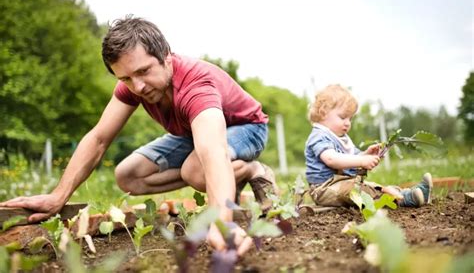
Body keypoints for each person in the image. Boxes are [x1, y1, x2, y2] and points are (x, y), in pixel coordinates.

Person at [0, 16, 278, 255]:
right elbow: (98, 139)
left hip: (247, 128)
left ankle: (253, 170)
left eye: (144, 71)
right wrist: (58, 196)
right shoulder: (133, 86)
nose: (139, 86)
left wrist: (221, 221)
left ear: (166, 57)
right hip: (192, 134)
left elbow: (212, 150)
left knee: (196, 171)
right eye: (126, 78)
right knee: (127, 176)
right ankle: (228, 178)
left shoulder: (196, 86)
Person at [305, 84, 432, 208]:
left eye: (350, 118)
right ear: (323, 113)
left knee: (373, 186)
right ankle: (403, 200)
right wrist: (362, 160)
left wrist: (365, 155)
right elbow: (331, 159)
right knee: (360, 191)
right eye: (343, 117)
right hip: (323, 190)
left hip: (340, 185)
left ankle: (408, 194)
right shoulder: (319, 136)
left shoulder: (340, 137)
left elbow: (352, 157)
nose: (347, 123)